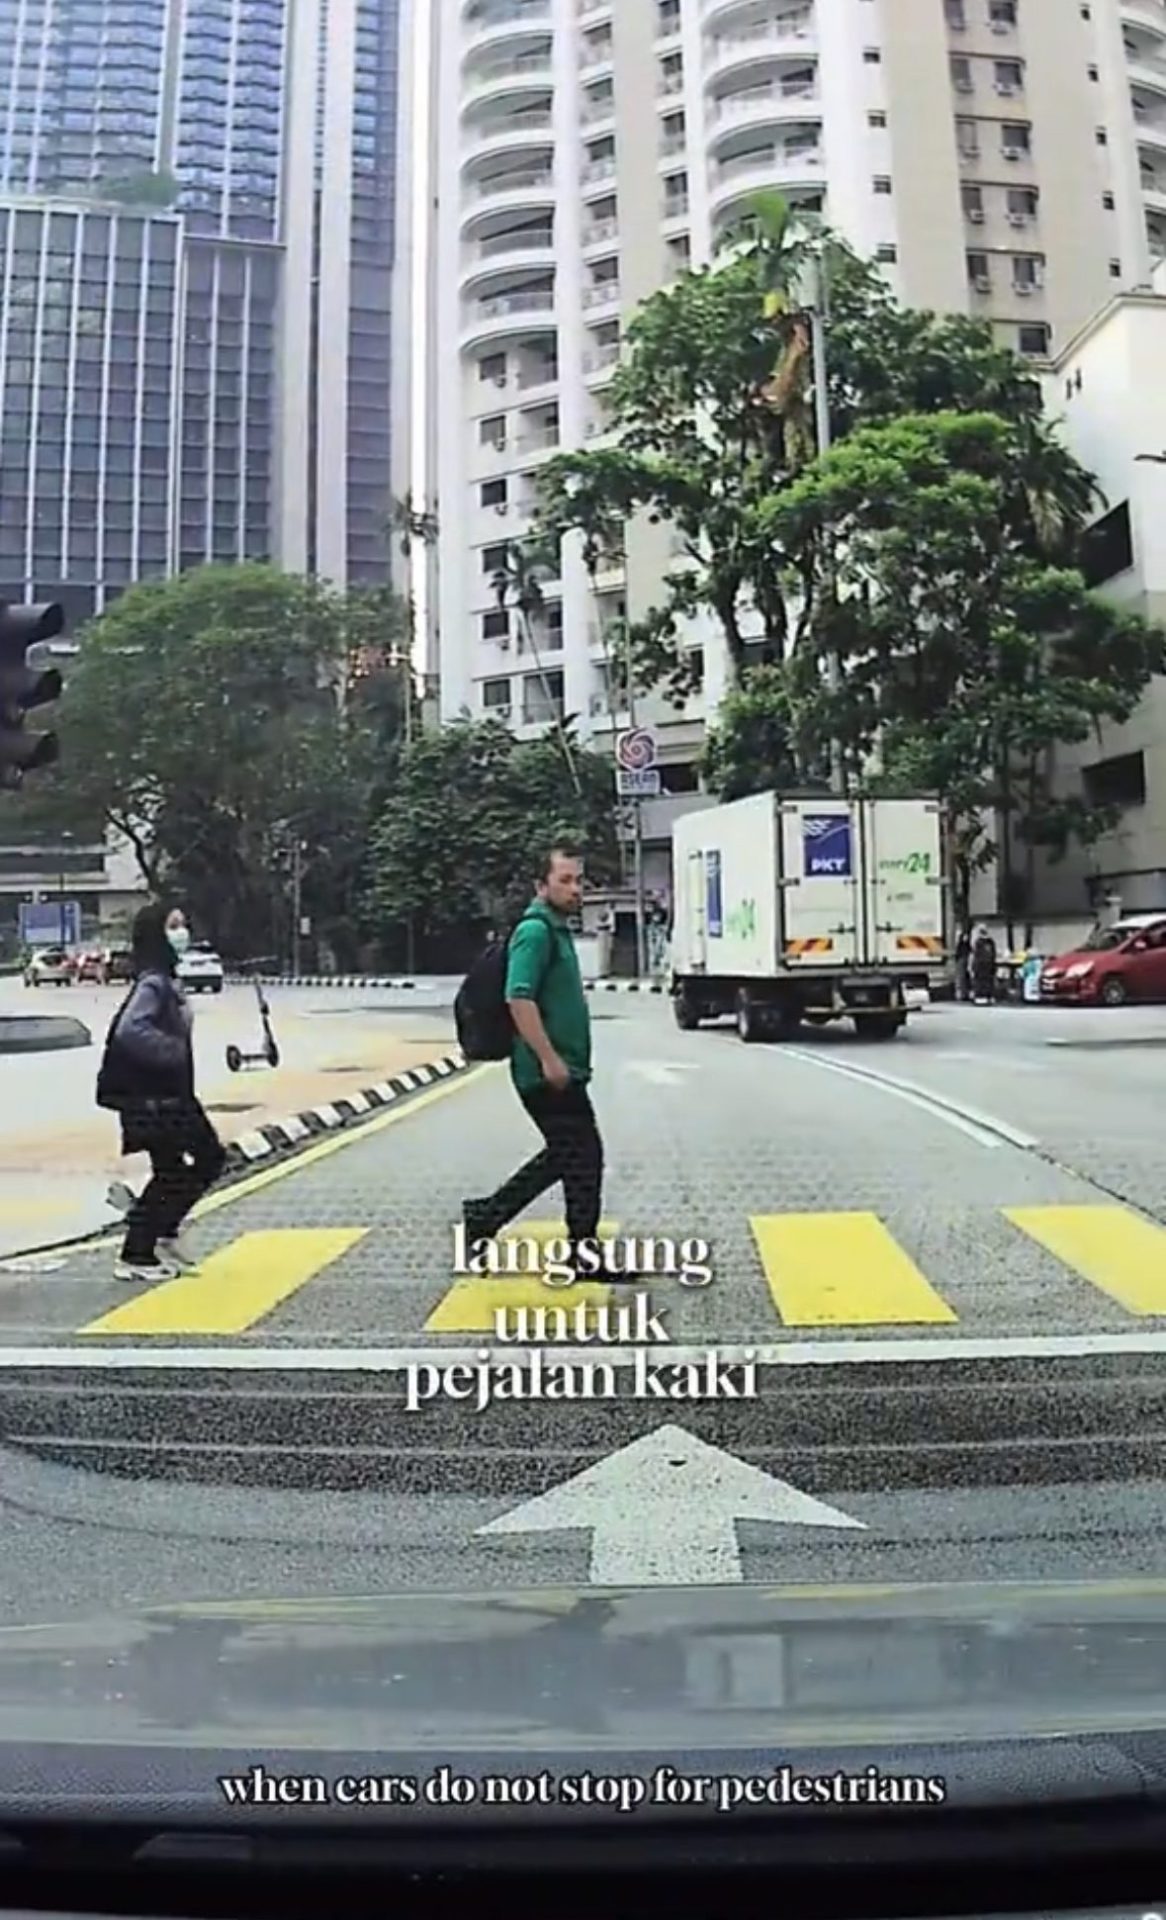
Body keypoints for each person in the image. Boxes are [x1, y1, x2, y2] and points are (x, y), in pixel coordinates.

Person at [462, 844, 615, 1286]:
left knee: (573, 1156)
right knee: (580, 1154)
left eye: (578, 880)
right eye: (564, 880)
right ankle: (487, 1217)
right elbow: (519, 996)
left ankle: (498, 1220)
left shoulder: (557, 928)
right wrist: (548, 1058)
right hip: (543, 1071)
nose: (575, 889)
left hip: (560, 1068)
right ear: (540, 885)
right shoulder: (536, 931)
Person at [96, 901, 226, 1282]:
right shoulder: (153, 982)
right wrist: (171, 1050)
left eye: (183, 925)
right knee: (203, 1159)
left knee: (179, 1167)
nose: (181, 933)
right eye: (173, 926)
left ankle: (154, 1235)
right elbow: (130, 1029)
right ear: (157, 934)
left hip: (166, 1095)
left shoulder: (164, 978)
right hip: (155, 1098)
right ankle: (143, 1246)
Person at [970, 924, 998, 1005]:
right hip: (989, 965)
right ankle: (988, 996)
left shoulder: (978, 942)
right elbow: (993, 954)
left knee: (979, 981)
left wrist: (973, 966)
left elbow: (976, 954)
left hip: (980, 965)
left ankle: (980, 997)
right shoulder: (991, 942)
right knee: (988, 981)